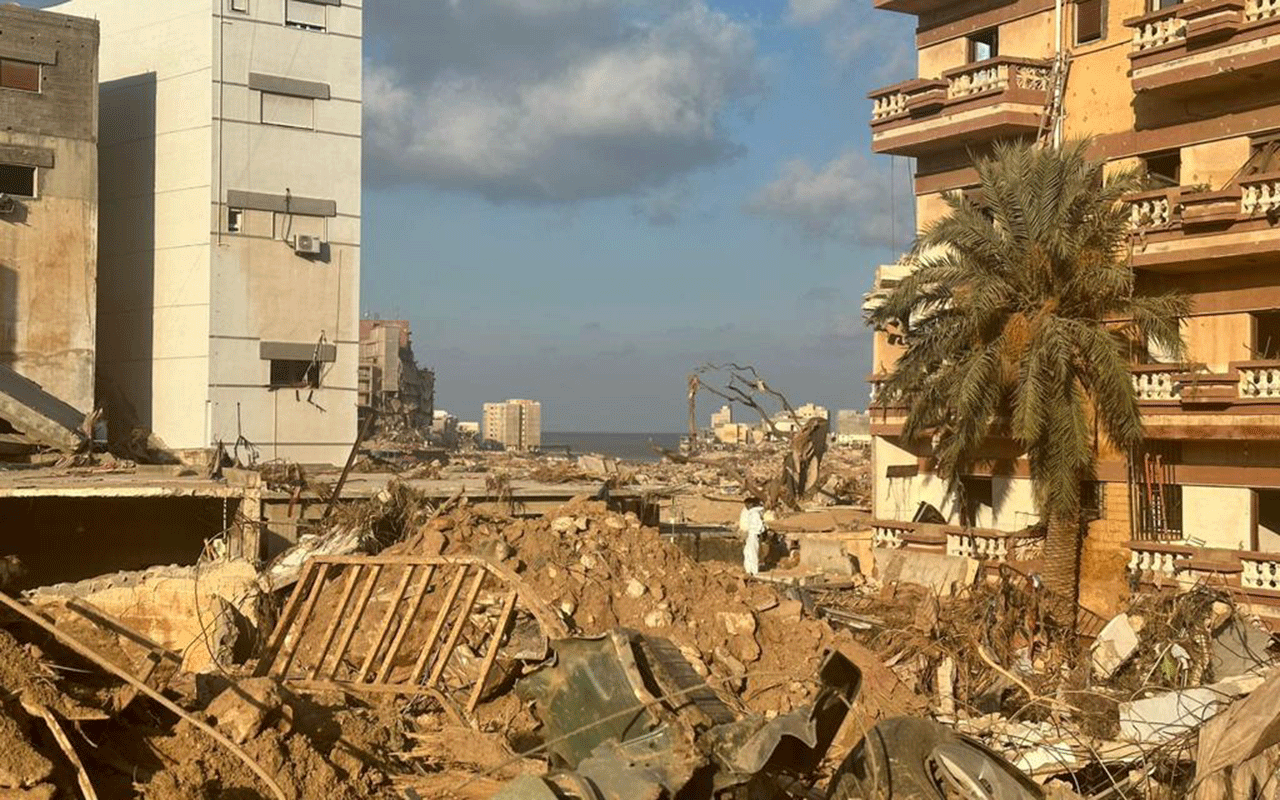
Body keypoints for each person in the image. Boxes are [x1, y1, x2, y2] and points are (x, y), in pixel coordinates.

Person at [738, 497, 765, 576]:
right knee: (747, 552)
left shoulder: (755, 513)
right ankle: (748, 570)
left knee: (753, 553)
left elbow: (760, 526)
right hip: (750, 535)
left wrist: (757, 532)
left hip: (754, 535)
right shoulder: (751, 513)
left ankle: (754, 571)